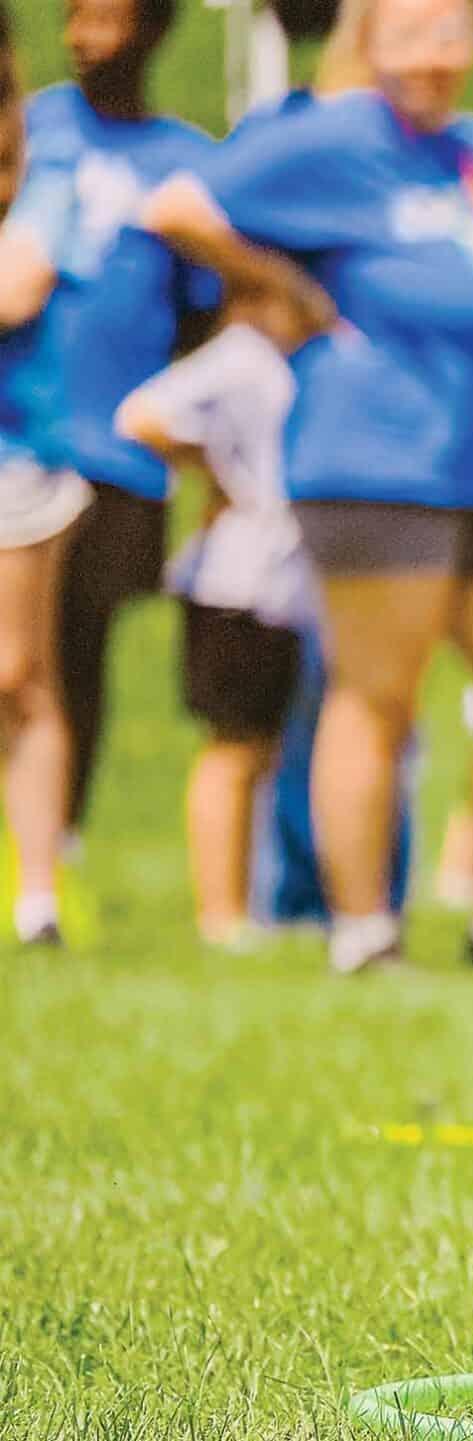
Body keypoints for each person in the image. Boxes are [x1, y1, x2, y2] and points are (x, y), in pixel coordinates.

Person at [143, 0, 473, 976]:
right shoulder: (330, 140)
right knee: (377, 697)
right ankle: (364, 929)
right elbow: (176, 208)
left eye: (451, 33)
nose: (432, 56)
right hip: (374, 464)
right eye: (409, 33)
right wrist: (284, 286)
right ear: (369, 41)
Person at [2, 0, 212, 852]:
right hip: (26, 430)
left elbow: (203, 311)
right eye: (77, 17)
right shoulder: (31, 129)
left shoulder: (185, 161)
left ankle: (62, 836)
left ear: (156, 30)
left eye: (110, 19)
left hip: (119, 446)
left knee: (76, 645)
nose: (87, 38)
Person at [113, 291, 311, 948]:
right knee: (234, 745)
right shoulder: (238, 356)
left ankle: (246, 903)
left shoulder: (283, 357)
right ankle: (222, 913)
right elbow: (142, 416)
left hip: (276, 581)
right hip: (234, 578)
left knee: (260, 747)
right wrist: (218, 469)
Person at [0, 6, 85, 948]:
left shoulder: (45, 163)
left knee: (17, 673)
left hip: (18, 451)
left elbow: (15, 289)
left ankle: (37, 899)